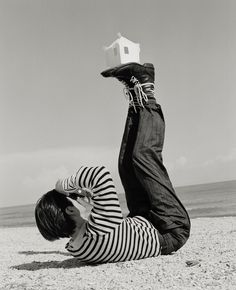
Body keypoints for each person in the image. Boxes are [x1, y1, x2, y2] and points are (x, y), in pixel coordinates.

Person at [35, 62, 191, 264]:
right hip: (170, 228)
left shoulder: (77, 248)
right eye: (71, 200)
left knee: (126, 165)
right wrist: (62, 186)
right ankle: (146, 88)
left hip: (142, 221)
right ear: (70, 210)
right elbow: (99, 175)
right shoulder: (99, 230)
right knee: (143, 156)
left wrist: (91, 206)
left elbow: (110, 233)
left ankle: (136, 92)